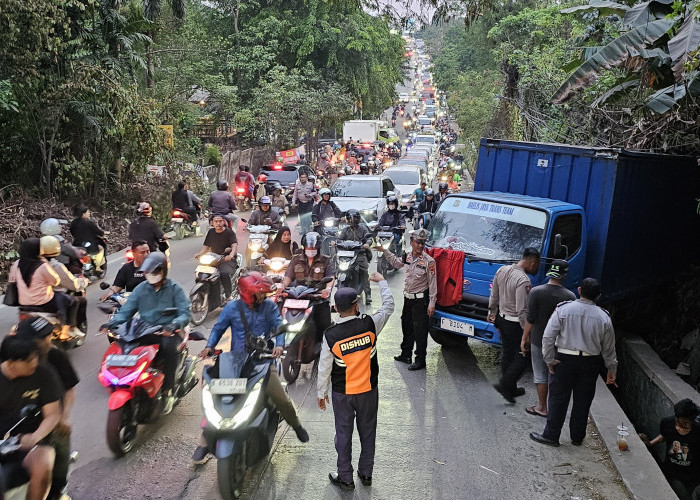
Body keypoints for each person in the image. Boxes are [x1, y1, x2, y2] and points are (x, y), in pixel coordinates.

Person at [194, 272, 309, 463]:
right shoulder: (231, 308)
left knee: (281, 398)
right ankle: (204, 442)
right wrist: (209, 347)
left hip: (262, 362)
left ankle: (296, 425)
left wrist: (279, 345)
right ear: (248, 293)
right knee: (213, 400)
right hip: (235, 363)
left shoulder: (269, 307)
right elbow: (218, 328)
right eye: (260, 293)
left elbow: (278, 325)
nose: (263, 296)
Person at [318, 275, 395, 491]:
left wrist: (321, 393)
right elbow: (388, 306)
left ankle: (346, 478)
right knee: (368, 432)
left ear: (335, 308)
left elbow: (324, 367)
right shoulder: (370, 324)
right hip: (369, 391)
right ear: (357, 305)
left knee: (343, 435)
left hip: (343, 395)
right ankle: (366, 473)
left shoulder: (331, 335)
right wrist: (382, 282)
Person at [530, 277, 618, 447]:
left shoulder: (563, 310)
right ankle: (577, 437)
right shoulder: (604, 317)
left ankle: (551, 435)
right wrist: (611, 370)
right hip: (590, 362)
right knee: (583, 400)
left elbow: (548, 337)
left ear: (579, 290)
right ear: (598, 296)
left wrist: (549, 359)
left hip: (564, 359)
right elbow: (609, 348)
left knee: (558, 398)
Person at [100, 252, 190, 414]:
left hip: (168, 331)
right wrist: (112, 323)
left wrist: (174, 324)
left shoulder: (175, 289)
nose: (151, 276)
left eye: (155, 272)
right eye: (148, 273)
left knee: (169, 350)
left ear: (163, 272)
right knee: (125, 346)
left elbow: (184, 313)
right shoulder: (141, 289)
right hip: (144, 330)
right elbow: (126, 311)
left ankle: (167, 391)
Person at [15, 317, 80, 500]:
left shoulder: (56, 356)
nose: (48, 340)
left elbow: (69, 389)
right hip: (17, 414)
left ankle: (59, 490)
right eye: (42, 338)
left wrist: (63, 416)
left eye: (48, 335)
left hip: (50, 413)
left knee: (59, 439)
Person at [0, 336, 62, 500]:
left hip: (28, 440)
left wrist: (34, 437)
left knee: (44, 460)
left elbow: (53, 414)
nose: (34, 363)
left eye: (35, 357)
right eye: (28, 361)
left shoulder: (43, 374)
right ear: (11, 362)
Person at [520, 259, 576, 418]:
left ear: (550, 272)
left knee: (539, 374)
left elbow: (530, 319)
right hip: (559, 343)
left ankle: (542, 407)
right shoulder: (570, 296)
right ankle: (554, 409)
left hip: (538, 340)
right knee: (555, 375)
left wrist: (524, 338)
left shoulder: (536, 292)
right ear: (564, 275)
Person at [377, 229, 437, 371]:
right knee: (407, 326)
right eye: (418, 242)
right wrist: (384, 251)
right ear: (411, 242)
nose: (420, 246)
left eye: (422, 243)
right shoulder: (407, 257)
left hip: (420, 301)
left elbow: (433, 283)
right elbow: (395, 263)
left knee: (420, 330)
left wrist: (432, 303)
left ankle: (420, 359)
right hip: (408, 299)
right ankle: (406, 354)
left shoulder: (429, 262)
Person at [488, 247, 541, 403]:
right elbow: (522, 309)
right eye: (536, 264)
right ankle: (505, 385)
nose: (536, 268)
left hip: (502, 318)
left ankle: (510, 390)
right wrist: (527, 332)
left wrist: (492, 314)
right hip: (515, 323)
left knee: (508, 353)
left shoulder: (502, 270)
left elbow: (494, 296)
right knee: (522, 356)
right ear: (532, 262)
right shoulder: (523, 280)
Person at [9, 238, 81, 340]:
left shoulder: (15, 264)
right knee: (72, 301)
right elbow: (55, 281)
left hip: (24, 305)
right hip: (44, 304)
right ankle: (65, 332)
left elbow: (12, 281)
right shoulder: (42, 265)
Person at [282, 232, 335, 341]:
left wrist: (328, 289)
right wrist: (282, 285)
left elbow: (331, 277)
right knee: (281, 315)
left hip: (317, 297)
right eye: (308, 247)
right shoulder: (296, 259)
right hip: (297, 296)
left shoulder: (326, 260)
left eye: (313, 247)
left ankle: (322, 345)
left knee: (324, 323)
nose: (310, 250)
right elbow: (289, 275)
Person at [641, 402, 700, 499]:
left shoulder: (697, 430)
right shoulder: (667, 423)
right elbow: (664, 435)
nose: (687, 424)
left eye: (688, 421)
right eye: (682, 421)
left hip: (693, 474)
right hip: (673, 472)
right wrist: (651, 443)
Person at [40, 235, 89, 335]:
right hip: (51, 297)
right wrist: (84, 282)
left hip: (29, 302)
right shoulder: (55, 266)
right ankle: (72, 327)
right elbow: (71, 284)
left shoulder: (25, 265)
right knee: (78, 301)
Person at [194, 214, 238, 300]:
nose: (218, 223)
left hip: (226, 259)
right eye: (216, 221)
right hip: (213, 259)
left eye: (220, 221)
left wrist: (231, 255)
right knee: (201, 272)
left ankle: (228, 295)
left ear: (224, 222)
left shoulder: (229, 232)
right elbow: (206, 246)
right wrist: (200, 254)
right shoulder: (211, 232)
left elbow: (234, 245)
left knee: (223, 273)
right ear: (212, 223)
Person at [338, 209, 373, 305]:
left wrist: (367, 244)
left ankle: (368, 294)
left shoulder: (363, 228)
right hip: (347, 254)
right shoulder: (345, 230)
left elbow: (369, 238)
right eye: (350, 218)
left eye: (355, 218)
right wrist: (335, 242)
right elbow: (339, 239)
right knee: (337, 263)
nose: (352, 220)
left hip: (359, 254)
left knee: (363, 271)